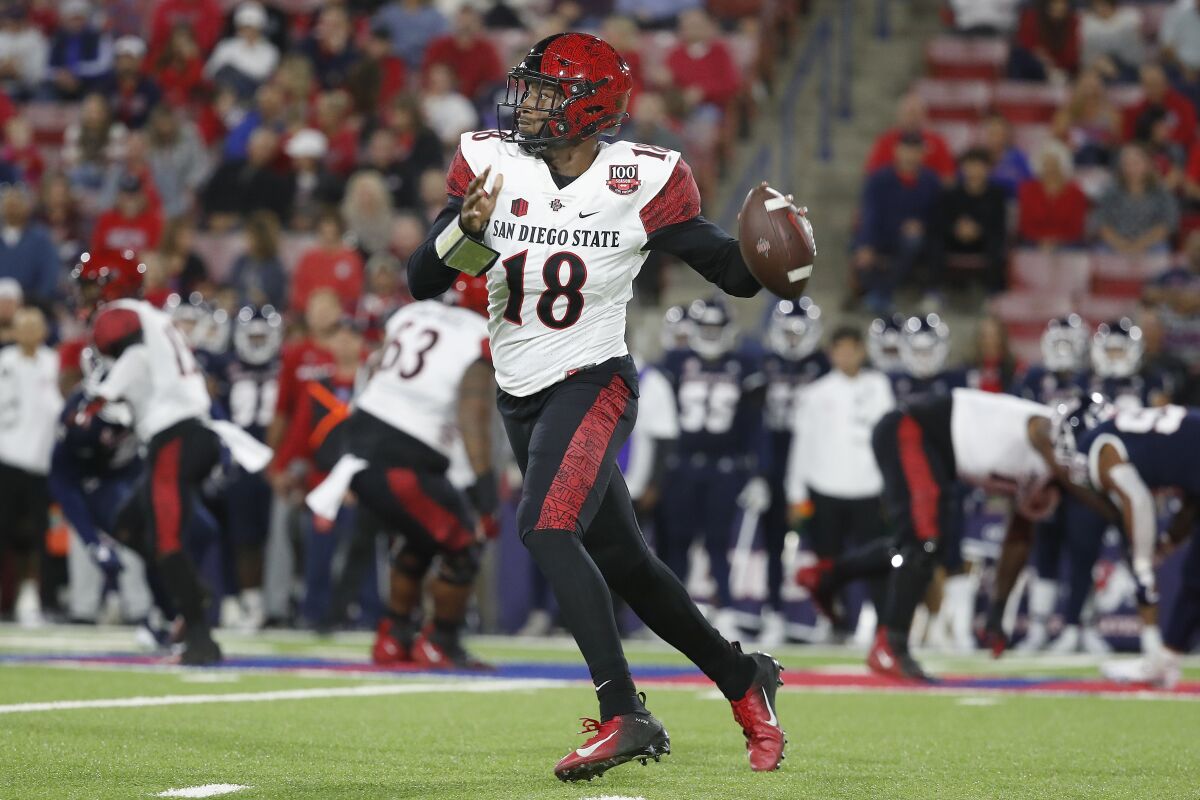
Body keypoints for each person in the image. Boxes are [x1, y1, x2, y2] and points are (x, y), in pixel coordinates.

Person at [405, 31, 787, 781]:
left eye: (549, 93)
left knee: (546, 528)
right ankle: (745, 680)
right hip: (520, 388)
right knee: (629, 565)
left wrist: (780, 258)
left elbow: (729, 273)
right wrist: (465, 230)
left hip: (592, 378)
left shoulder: (640, 178)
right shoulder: (491, 162)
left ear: (590, 108)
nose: (531, 104)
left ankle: (625, 713)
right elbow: (421, 279)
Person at [308, 279, 497, 667]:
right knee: (463, 543)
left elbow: (375, 370)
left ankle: (393, 638)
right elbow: (473, 415)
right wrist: (486, 486)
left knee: (419, 538)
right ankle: (441, 641)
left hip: (361, 440)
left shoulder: (410, 314)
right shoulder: (480, 334)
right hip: (404, 453)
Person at [81, 285, 271, 663]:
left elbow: (96, 407)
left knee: (168, 542)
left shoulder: (135, 352)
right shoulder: (158, 337)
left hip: (176, 439)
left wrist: (87, 406)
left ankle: (201, 640)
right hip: (187, 436)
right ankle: (193, 590)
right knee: (129, 527)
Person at [658, 297, 764, 638]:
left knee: (718, 542)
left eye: (716, 328)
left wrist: (758, 473)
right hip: (681, 466)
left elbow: (754, 425)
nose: (711, 334)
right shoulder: (675, 362)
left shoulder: (743, 365)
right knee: (677, 542)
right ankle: (673, 612)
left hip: (725, 468)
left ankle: (726, 609)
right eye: (705, 327)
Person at [787, 326, 893, 637]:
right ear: (831, 353)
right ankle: (833, 622)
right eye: (840, 349)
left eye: (852, 349)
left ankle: (882, 624)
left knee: (878, 562)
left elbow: (888, 441)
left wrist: (891, 488)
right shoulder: (815, 393)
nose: (846, 355)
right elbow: (802, 444)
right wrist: (795, 493)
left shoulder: (879, 386)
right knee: (828, 564)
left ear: (862, 351)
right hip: (825, 488)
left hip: (869, 489)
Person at [758, 298, 829, 644]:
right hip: (775, 458)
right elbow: (753, 422)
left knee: (822, 542)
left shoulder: (824, 365)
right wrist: (758, 470)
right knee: (773, 542)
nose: (791, 338)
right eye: (786, 331)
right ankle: (773, 611)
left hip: (816, 460)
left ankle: (826, 613)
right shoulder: (763, 363)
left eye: (797, 332)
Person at [0, 306, 62, 625]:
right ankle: (5, 602)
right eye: (21, 326)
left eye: (33, 326)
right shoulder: (3, 363)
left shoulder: (55, 363)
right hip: (6, 460)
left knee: (45, 536)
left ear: (43, 331)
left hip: (42, 462)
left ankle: (44, 598)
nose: (27, 333)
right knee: (3, 532)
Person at [855, 133, 942, 313]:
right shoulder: (879, 179)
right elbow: (870, 213)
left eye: (914, 152)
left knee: (914, 240)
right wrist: (866, 243)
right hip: (882, 235)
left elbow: (939, 215)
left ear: (922, 154)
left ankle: (882, 293)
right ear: (896, 152)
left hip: (916, 240)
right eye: (906, 151)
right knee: (861, 253)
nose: (910, 157)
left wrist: (922, 225)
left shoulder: (931, 181)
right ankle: (873, 294)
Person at [934, 148, 1007, 294]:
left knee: (997, 244)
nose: (974, 170)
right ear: (963, 168)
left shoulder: (997, 195)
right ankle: (934, 292)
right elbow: (941, 221)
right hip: (955, 240)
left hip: (983, 240)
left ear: (988, 169)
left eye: (979, 166)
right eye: (970, 165)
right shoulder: (951, 193)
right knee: (935, 241)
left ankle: (993, 294)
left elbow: (999, 224)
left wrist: (978, 230)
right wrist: (956, 229)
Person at [1091, 144, 1179, 256]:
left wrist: (1140, 245)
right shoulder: (1109, 191)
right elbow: (1101, 222)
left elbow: (1168, 223)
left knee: (1160, 254)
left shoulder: (1161, 192)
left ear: (1148, 164)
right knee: (1100, 255)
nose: (1131, 168)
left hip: (1152, 244)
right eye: (1127, 164)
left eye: (1136, 163)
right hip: (1114, 244)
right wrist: (1121, 245)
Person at [864, 93, 955, 183]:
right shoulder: (885, 141)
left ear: (924, 115)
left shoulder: (937, 142)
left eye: (916, 113)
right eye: (908, 113)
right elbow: (872, 174)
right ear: (899, 114)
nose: (912, 118)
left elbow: (948, 177)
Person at [1018, 139, 1090, 248]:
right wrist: (1042, 241)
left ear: (1063, 165)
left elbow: (1077, 227)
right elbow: (1025, 225)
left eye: (1055, 164)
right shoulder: (1028, 189)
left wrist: (1056, 242)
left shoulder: (1076, 192)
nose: (1050, 169)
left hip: (1068, 243)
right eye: (1046, 164)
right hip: (1034, 242)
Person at [290, 211, 364, 314]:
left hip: (342, 316)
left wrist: (332, 304)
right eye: (324, 231)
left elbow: (355, 295)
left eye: (332, 231)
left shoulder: (351, 259)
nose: (328, 236)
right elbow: (298, 294)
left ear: (339, 231)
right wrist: (315, 306)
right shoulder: (308, 259)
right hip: (309, 315)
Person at [420, 7, 502, 101]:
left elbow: (495, 80)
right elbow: (427, 74)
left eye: (470, 22)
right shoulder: (439, 46)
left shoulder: (487, 49)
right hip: (440, 97)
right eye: (461, 22)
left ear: (479, 24)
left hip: (476, 102)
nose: (465, 26)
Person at [0, 185, 59, 309]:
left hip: (30, 308)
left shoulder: (41, 239)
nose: (13, 207)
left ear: (27, 207)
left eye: (18, 202)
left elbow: (48, 278)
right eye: (9, 202)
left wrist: (33, 303)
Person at [204, 2, 278, 100]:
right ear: (238, 27)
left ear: (260, 28)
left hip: (254, 100)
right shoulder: (225, 46)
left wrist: (233, 69)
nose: (249, 32)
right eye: (245, 27)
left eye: (253, 28)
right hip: (225, 97)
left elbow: (262, 74)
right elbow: (208, 73)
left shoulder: (270, 51)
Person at [1051, 68, 1121, 168]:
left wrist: (1107, 142)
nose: (1090, 91)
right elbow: (1057, 135)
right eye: (1086, 86)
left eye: (1093, 86)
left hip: (1102, 154)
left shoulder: (1109, 110)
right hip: (1076, 154)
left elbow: (1117, 137)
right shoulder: (1068, 110)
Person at [47, 0, 112, 100]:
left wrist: (76, 72)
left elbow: (103, 66)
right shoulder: (57, 38)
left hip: (89, 83)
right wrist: (60, 75)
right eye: (72, 19)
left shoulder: (97, 37)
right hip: (60, 84)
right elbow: (46, 68)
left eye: (79, 19)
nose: (76, 23)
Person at [90, 174, 163, 256]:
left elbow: (155, 253)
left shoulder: (153, 221)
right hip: (111, 265)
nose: (130, 200)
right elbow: (96, 249)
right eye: (126, 195)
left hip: (140, 266)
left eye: (134, 195)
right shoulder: (106, 219)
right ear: (118, 197)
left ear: (142, 197)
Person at [1008, 0, 1080, 83]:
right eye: (1055, 3)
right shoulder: (1031, 16)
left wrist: (1052, 67)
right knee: (1018, 55)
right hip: (1033, 66)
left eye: (1063, 3)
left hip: (1059, 71)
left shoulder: (1072, 21)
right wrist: (1044, 61)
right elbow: (1025, 43)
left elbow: (1071, 56)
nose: (1059, 6)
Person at [229, 210, 287, 309]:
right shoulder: (241, 261)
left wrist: (262, 300)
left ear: (262, 238)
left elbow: (277, 301)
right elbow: (230, 286)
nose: (247, 239)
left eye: (251, 236)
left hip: (264, 318)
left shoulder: (275, 267)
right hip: (238, 314)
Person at [1080, 0, 1143, 83]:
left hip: (1128, 62)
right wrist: (1097, 62)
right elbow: (1086, 51)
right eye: (1097, 4)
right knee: (1091, 76)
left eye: (1104, 4)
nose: (1101, 8)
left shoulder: (1130, 16)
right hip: (1100, 65)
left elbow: (1137, 46)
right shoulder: (1087, 21)